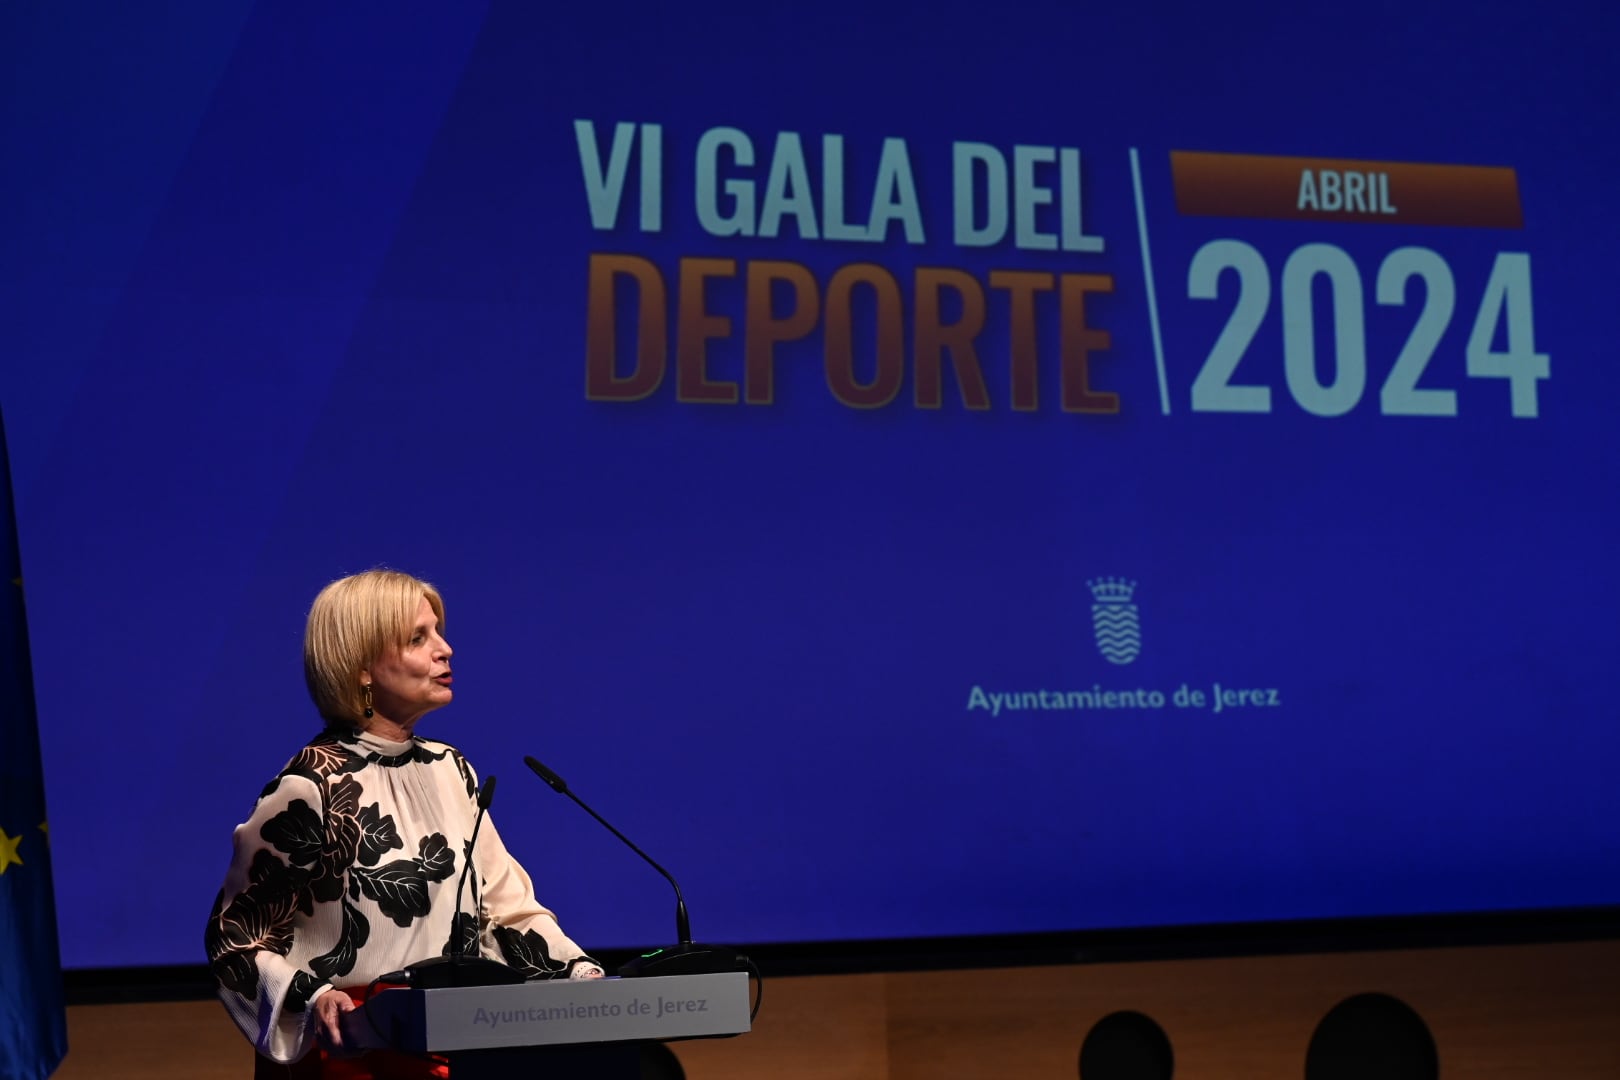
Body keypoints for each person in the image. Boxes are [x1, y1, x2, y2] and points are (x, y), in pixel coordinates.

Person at [205, 569, 602, 1078]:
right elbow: (236, 939)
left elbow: (504, 909)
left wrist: (582, 977)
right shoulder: (309, 787)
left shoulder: (450, 769)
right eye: (419, 638)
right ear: (363, 667)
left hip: (456, 1044)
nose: (446, 649)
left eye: (438, 631)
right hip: (351, 1059)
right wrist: (317, 999)